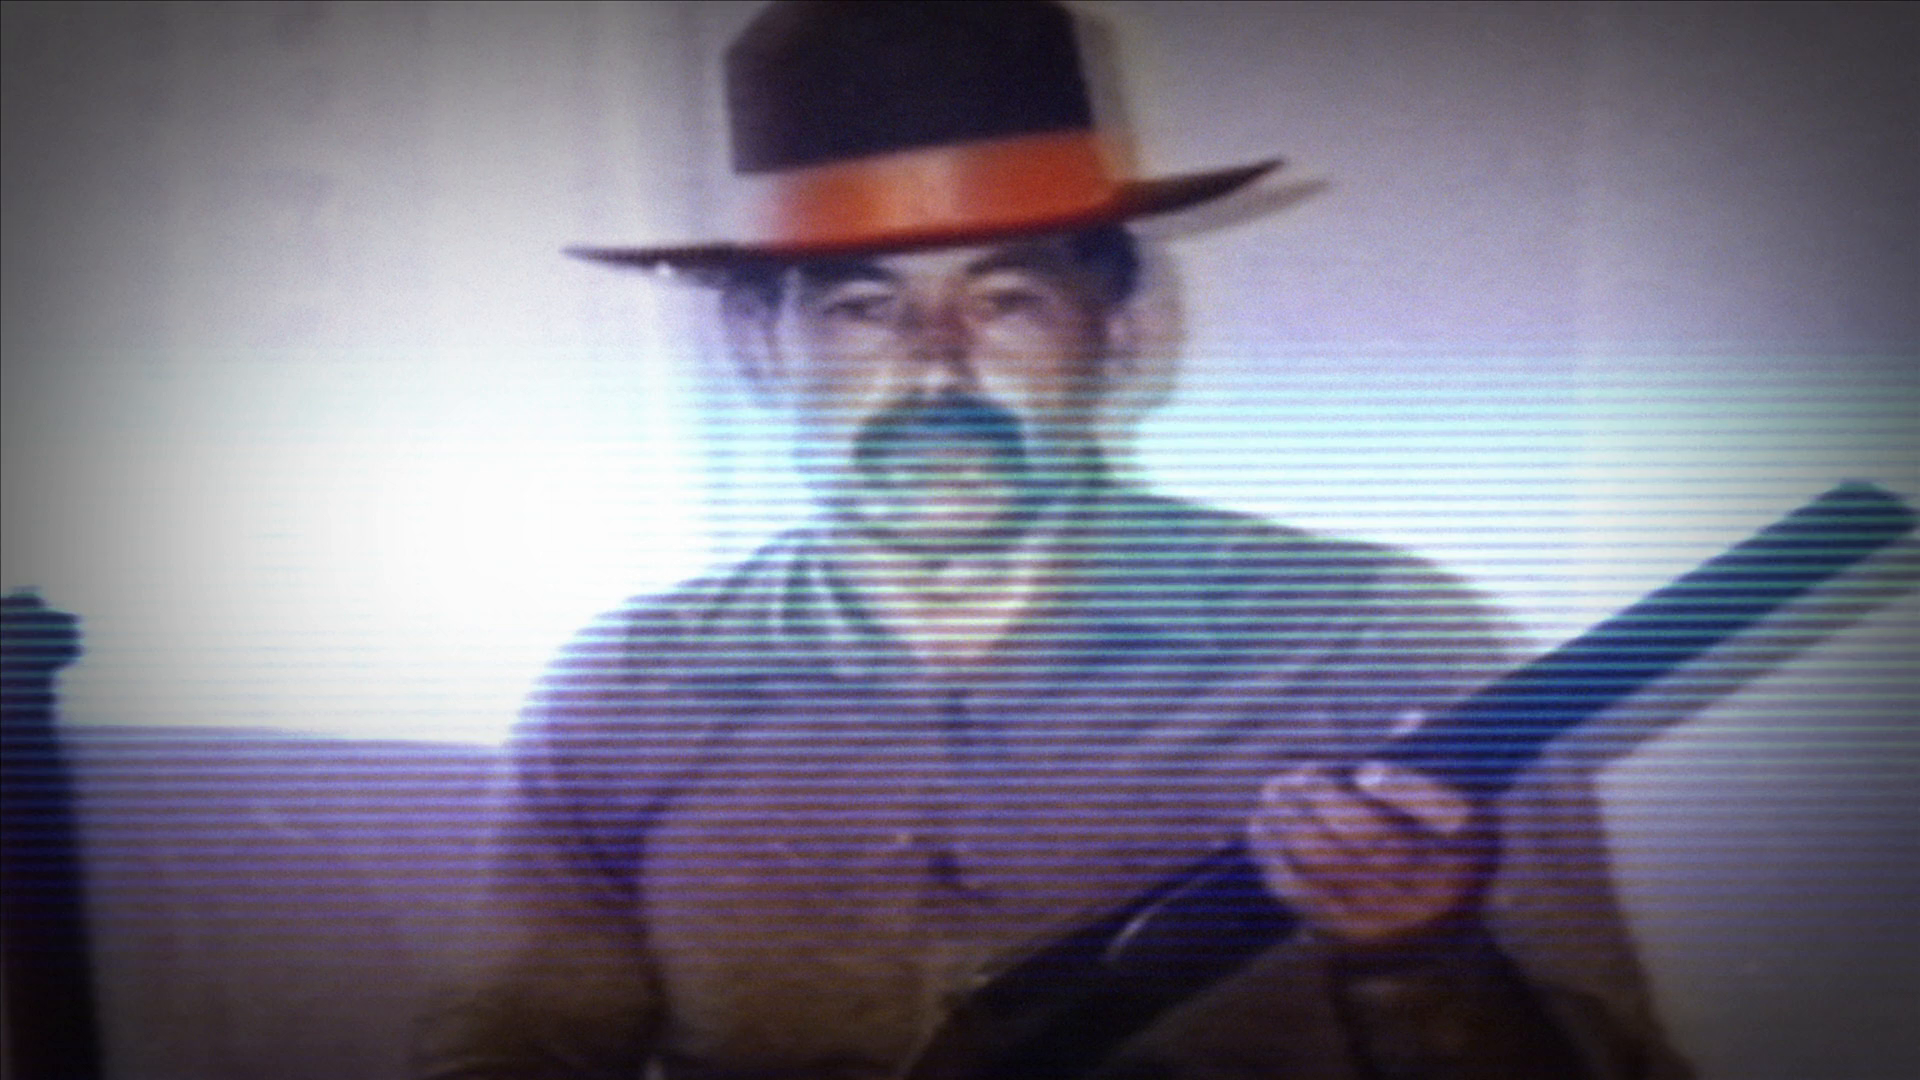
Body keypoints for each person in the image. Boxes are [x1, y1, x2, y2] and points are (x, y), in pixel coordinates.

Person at [415, 4, 1689, 1077]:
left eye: (1007, 299)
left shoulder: (1385, 640)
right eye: (863, 309)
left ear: (1124, 334)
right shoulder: (624, 685)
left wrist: (1417, 957)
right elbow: (511, 1053)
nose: (936, 368)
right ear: (761, 351)